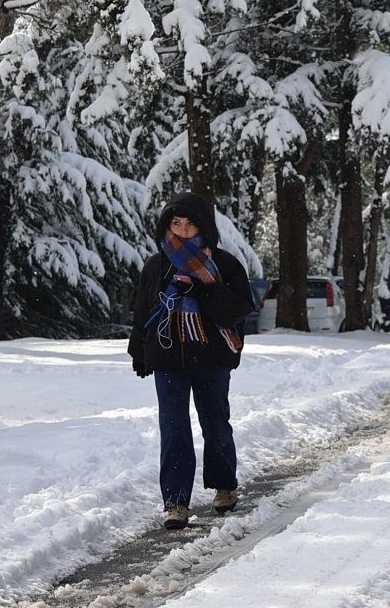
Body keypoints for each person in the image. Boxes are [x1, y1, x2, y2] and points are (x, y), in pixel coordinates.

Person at [128, 192, 255, 530]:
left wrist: (204, 292)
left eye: (189, 224)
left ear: (203, 226)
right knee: (173, 428)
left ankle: (224, 484)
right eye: (176, 223)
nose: (182, 230)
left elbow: (239, 309)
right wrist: (138, 351)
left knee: (214, 422)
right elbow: (143, 311)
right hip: (168, 356)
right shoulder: (157, 265)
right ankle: (176, 501)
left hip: (211, 357)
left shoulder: (224, 265)